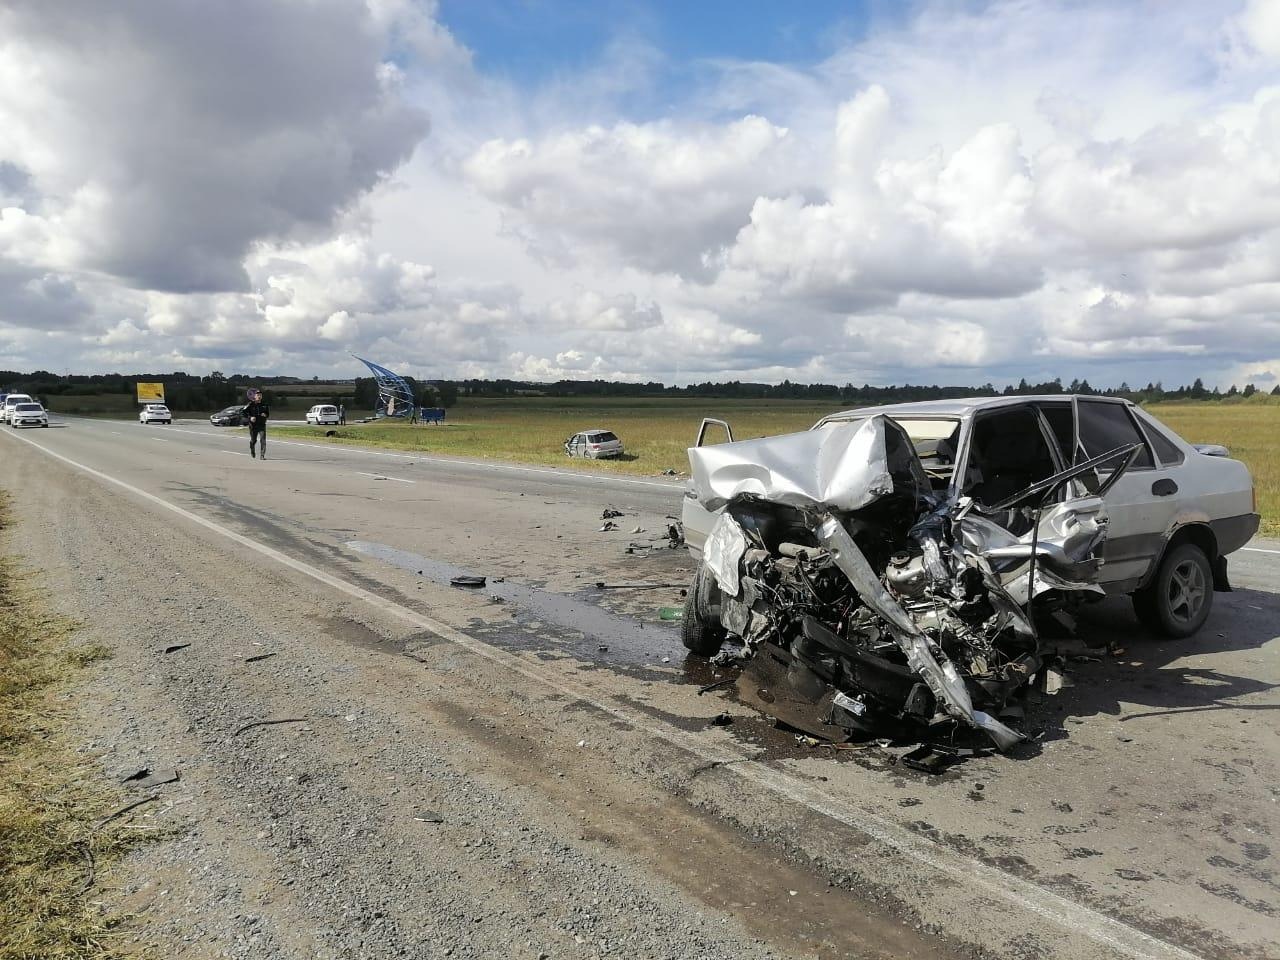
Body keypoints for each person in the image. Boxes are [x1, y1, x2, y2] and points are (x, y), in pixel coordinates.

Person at [244, 389, 270, 459]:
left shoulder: (265, 404)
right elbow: (243, 413)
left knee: (263, 440)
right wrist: (250, 418)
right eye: (258, 395)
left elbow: (268, 414)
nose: (259, 396)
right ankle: (252, 449)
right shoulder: (250, 404)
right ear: (254, 396)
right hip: (253, 426)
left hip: (262, 425)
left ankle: (262, 455)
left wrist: (265, 415)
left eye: (260, 395)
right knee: (253, 440)